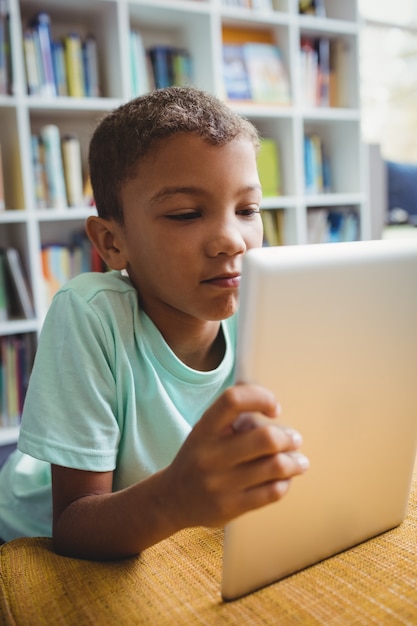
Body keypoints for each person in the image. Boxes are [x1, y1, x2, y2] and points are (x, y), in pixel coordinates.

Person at [0, 86, 309, 558]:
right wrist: (174, 499)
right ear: (112, 242)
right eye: (186, 214)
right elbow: (71, 524)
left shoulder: (265, 308)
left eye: (247, 210)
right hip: (27, 526)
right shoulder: (90, 313)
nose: (233, 241)